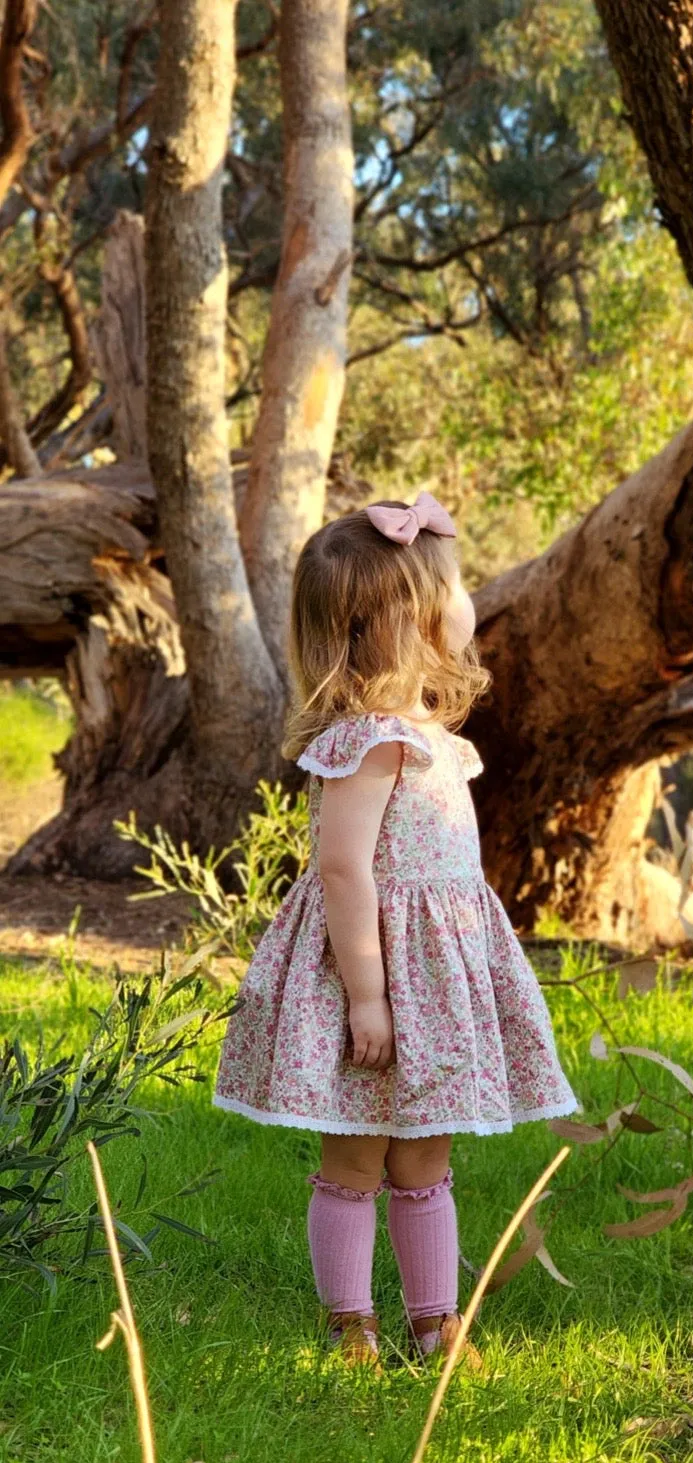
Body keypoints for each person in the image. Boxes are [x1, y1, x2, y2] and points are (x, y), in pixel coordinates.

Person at [213, 491, 577, 1368]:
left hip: (439, 974)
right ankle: (351, 1322)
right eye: (453, 587)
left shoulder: (434, 738)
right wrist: (367, 996)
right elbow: (343, 869)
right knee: (357, 1154)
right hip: (368, 971)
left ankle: (434, 1320)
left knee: (425, 1160)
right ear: (406, 619)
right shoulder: (372, 741)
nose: (467, 602)